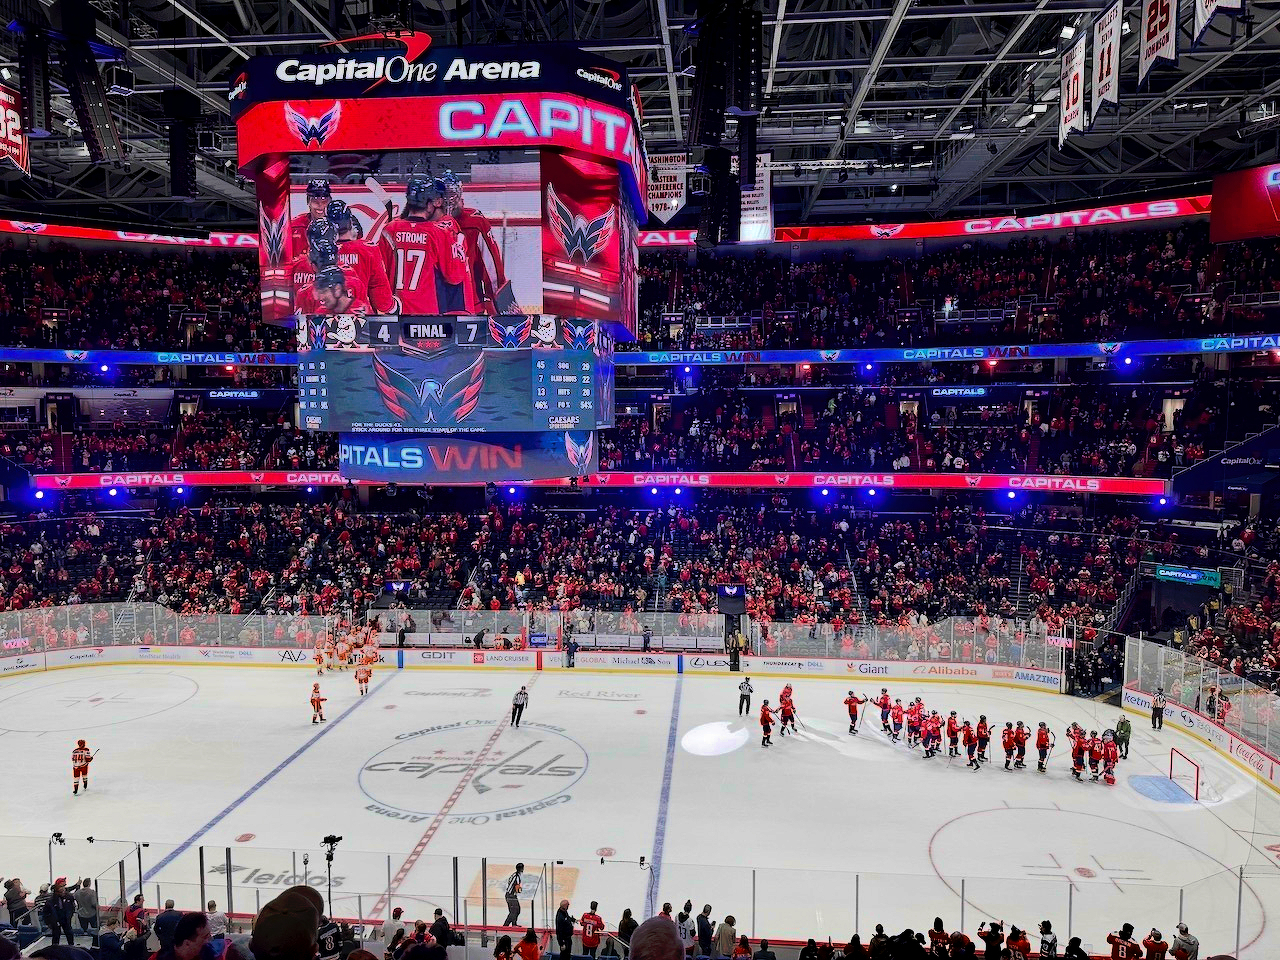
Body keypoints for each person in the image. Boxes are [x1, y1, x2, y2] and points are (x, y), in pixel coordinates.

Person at [42, 880, 77, 946]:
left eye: (64, 886)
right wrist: (49, 922)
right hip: (56, 919)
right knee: (56, 935)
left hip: (65, 918)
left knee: (69, 933)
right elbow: (46, 912)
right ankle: (55, 949)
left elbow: (72, 907)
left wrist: (70, 916)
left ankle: (71, 946)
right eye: (61, 886)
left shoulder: (69, 897)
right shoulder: (51, 899)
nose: (63, 888)